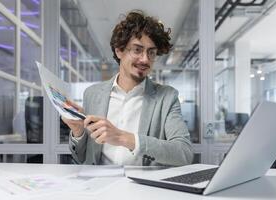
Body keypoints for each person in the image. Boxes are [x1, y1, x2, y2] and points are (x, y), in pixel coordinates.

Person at [62, 10, 194, 166]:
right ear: (119, 50)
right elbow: (82, 158)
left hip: (143, 187)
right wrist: (78, 132)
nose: (145, 59)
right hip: (100, 186)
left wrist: (123, 138)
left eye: (151, 52)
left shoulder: (166, 97)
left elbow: (184, 153)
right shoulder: (92, 94)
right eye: (137, 50)